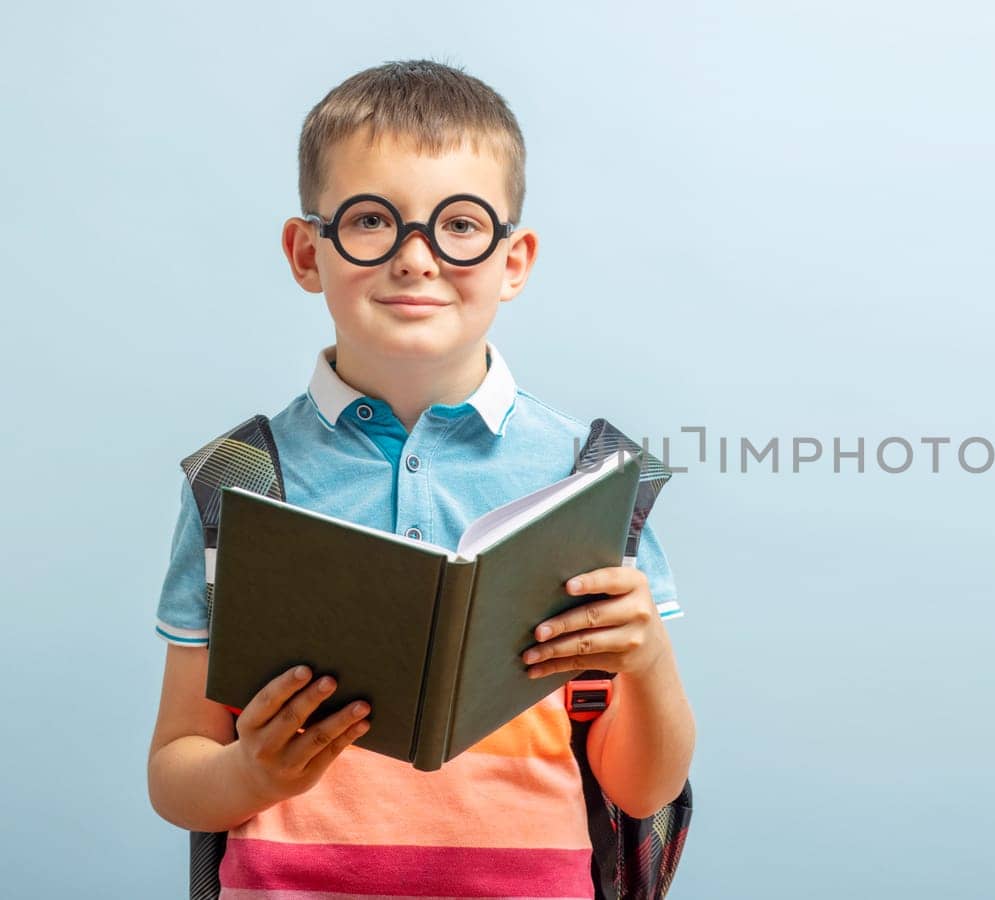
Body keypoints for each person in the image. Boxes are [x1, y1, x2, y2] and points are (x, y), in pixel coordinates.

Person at [146, 59, 694, 898]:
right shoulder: (238, 482)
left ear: (514, 261)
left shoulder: (590, 478)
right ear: (305, 251)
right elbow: (177, 771)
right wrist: (254, 774)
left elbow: (643, 789)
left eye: (460, 225)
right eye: (371, 221)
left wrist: (648, 657)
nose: (415, 258)